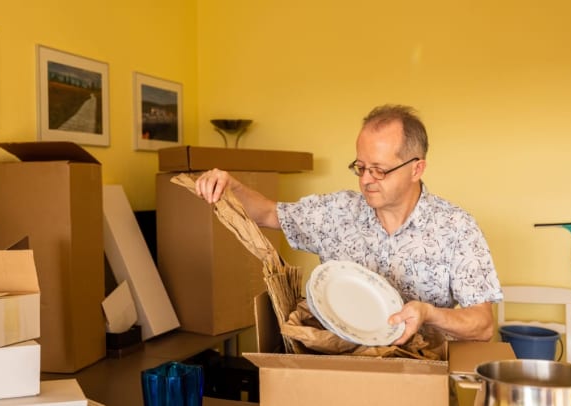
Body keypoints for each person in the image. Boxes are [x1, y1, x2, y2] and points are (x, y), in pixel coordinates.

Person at [194, 104, 502, 345]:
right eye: (360, 167)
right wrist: (231, 186)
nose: (366, 180)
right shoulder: (337, 211)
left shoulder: (456, 227)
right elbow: (269, 214)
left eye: (379, 170)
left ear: (416, 168)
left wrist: (429, 313)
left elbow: (484, 325)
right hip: (340, 364)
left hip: (418, 374)